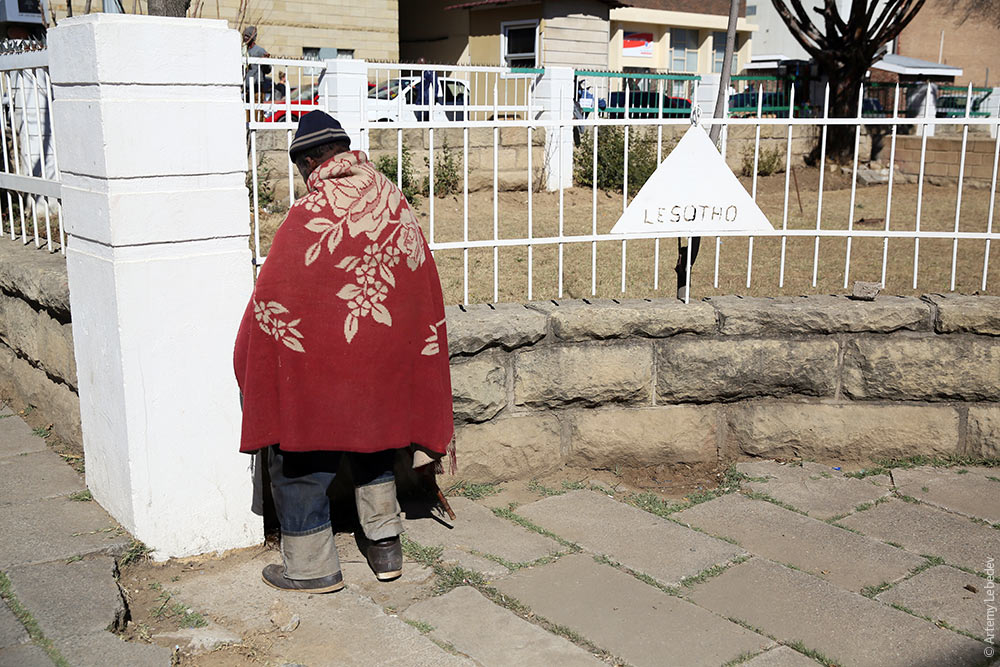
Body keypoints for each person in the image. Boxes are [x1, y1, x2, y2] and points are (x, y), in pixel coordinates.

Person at [234, 111, 455, 593]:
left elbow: (277, 295)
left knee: (299, 453)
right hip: (385, 363)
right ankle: (385, 546)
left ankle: (312, 567)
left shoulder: (309, 213)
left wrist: (251, 350)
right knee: (375, 440)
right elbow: (420, 286)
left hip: (321, 367)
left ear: (310, 160)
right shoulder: (392, 199)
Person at [242, 25, 273, 100]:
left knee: (257, 111)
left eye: (247, 36)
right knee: (246, 111)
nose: (245, 38)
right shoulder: (243, 51)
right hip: (246, 88)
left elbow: (268, 70)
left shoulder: (259, 51)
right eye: (244, 36)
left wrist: (264, 61)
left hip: (257, 88)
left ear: (252, 38)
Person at [413, 57, 440, 122]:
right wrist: (416, 87)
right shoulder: (424, 72)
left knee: (425, 117)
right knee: (421, 116)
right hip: (422, 97)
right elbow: (423, 85)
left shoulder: (429, 72)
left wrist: (435, 96)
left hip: (426, 98)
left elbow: (434, 85)